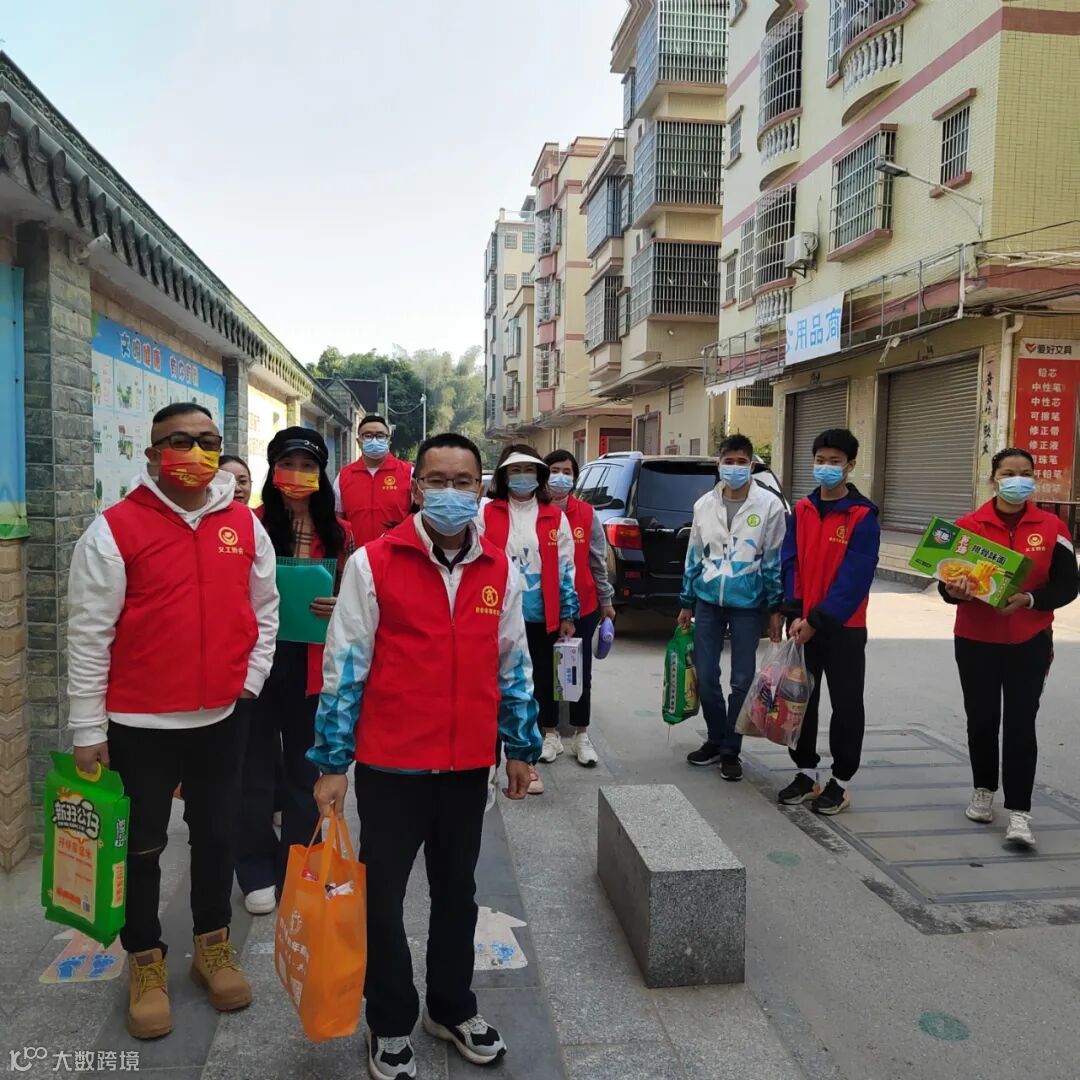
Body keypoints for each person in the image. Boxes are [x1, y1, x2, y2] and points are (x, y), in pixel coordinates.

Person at [309, 432, 540, 1080]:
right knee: (382, 898)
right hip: (392, 767)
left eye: (463, 482)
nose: (450, 492)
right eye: (437, 481)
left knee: (457, 893)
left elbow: (514, 665)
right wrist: (332, 763)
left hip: (466, 767)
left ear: (480, 489)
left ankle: (450, 1005)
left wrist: (520, 747)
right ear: (416, 489)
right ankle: (388, 1020)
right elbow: (344, 667)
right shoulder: (373, 563)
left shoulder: (498, 569)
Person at [66, 403, 279, 1040]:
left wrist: (249, 682)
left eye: (208, 440)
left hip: (222, 716)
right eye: (179, 441)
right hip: (138, 723)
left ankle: (212, 945)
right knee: (141, 846)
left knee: (217, 835)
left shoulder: (243, 523)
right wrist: (87, 728)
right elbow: (89, 635)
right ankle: (145, 958)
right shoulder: (114, 530)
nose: (195, 452)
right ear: (153, 453)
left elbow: (264, 609)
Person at [237, 428, 354, 915]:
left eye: (309, 466)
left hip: (312, 663)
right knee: (254, 770)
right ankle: (255, 868)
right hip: (257, 661)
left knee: (306, 771)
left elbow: (358, 598)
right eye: (289, 464)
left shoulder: (341, 532)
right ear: (273, 470)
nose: (298, 475)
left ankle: (300, 862)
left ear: (322, 474)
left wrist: (339, 604)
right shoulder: (248, 524)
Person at [940, 447, 1078, 849]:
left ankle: (1020, 812)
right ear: (994, 479)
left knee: (1020, 723)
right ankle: (983, 790)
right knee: (981, 719)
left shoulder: (1052, 527)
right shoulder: (968, 528)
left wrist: (1030, 600)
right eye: (1008, 473)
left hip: (1029, 641)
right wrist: (954, 591)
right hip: (975, 641)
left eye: (1025, 473)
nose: (1018, 480)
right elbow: (946, 584)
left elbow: (1068, 585)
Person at [778, 428, 879, 815]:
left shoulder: (862, 516)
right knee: (800, 700)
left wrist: (817, 620)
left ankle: (841, 781)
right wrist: (795, 611)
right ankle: (806, 772)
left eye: (835, 461)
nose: (826, 467)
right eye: (820, 460)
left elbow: (854, 579)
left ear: (850, 465)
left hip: (844, 629)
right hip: (804, 624)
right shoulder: (802, 509)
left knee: (847, 705)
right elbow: (791, 562)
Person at [678, 435, 787, 781]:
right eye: (729, 461)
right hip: (708, 601)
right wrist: (686, 601)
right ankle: (715, 737)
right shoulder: (704, 505)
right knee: (706, 675)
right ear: (719, 463)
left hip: (748, 604)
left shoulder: (769, 506)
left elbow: (773, 561)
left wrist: (775, 609)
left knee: (742, 680)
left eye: (742, 462)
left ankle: (730, 749)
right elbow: (694, 555)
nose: (735, 467)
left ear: (752, 465)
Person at [479, 445, 578, 795]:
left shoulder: (554, 516)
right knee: (491, 689)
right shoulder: (486, 512)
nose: (522, 476)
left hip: (539, 617)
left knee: (531, 688)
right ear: (504, 476)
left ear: (539, 475)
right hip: (493, 614)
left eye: (529, 470)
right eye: (515, 470)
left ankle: (527, 762)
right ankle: (488, 762)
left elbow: (566, 567)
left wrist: (568, 611)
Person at [543, 450, 617, 767]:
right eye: (554, 470)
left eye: (567, 471)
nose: (560, 476)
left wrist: (606, 601)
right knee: (546, 671)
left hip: (583, 605)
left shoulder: (587, 514)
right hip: (543, 607)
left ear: (574, 477)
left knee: (579, 672)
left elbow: (598, 561)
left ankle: (581, 735)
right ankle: (549, 734)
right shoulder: (536, 512)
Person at [334, 413, 413, 546]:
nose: (374, 440)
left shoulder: (408, 473)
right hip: (356, 554)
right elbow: (338, 520)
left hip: (398, 552)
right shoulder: (343, 476)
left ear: (388, 441)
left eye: (380, 436)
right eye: (368, 436)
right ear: (359, 442)